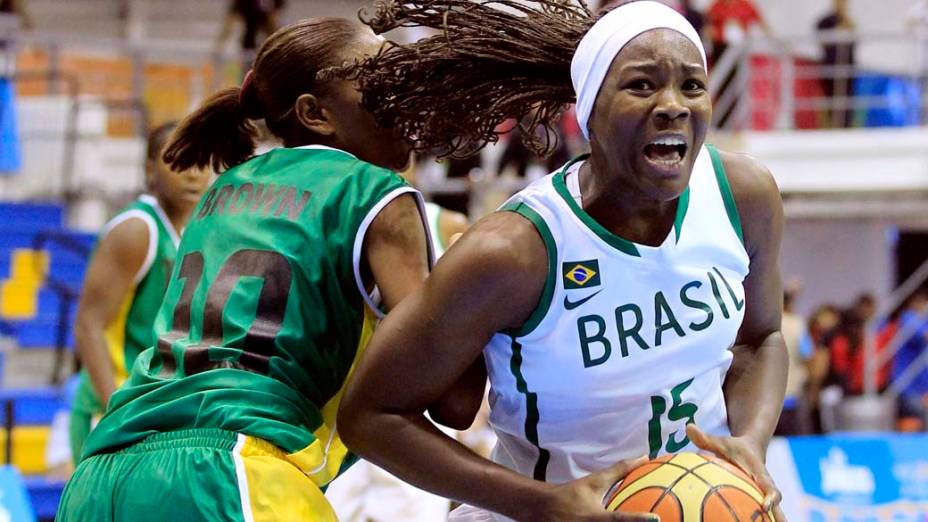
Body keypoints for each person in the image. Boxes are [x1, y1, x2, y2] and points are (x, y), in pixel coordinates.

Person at [343, 1, 787, 520]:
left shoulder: (743, 196)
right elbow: (371, 414)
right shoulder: (515, 250)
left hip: (695, 501)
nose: (674, 105)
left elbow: (760, 339)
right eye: (642, 85)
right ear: (589, 111)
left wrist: (751, 444)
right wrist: (544, 504)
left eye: (692, 85)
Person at [57, 18, 474, 522]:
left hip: (102, 475)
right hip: (235, 465)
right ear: (316, 114)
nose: (400, 90)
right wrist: (485, 281)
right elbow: (450, 398)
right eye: (381, 79)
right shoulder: (374, 191)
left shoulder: (223, 190)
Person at [70, 122, 210, 465]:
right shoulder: (137, 229)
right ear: (150, 168)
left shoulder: (197, 232)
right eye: (179, 160)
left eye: (201, 161)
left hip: (157, 413)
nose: (192, 174)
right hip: (114, 410)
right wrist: (116, 411)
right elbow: (88, 325)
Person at [705, 0, 772, 128]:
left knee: (737, 88)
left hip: (739, 52)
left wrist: (777, 43)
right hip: (720, 49)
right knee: (721, 88)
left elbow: (763, 24)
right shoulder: (716, 6)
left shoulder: (746, 5)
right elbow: (709, 26)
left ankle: (735, 123)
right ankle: (721, 122)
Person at [816, 0, 856, 128]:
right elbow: (821, 42)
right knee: (829, 100)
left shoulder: (849, 23)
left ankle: (845, 126)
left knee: (846, 101)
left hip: (846, 70)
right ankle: (830, 125)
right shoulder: (824, 22)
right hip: (830, 69)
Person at [216, 0, 285, 69]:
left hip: (265, 46)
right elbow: (229, 24)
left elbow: (273, 22)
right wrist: (219, 47)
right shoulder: (244, 2)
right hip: (250, 46)